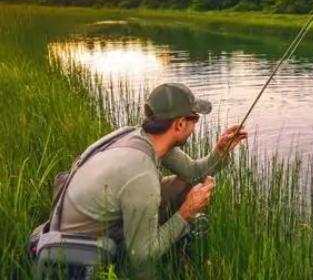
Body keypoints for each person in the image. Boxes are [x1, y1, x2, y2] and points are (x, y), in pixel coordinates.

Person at [57, 83, 247, 278]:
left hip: (90, 223)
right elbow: (140, 257)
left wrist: (221, 151)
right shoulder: (141, 175)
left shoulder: (142, 136)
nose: (195, 126)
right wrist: (187, 211)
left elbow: (193, 174)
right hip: (81, 253)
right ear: (180, 124)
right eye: (195, 119)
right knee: (145, 261)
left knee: (182, 185)